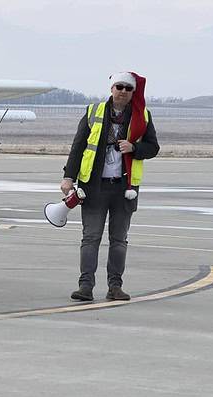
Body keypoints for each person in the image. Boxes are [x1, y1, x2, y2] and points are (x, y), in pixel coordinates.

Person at [60, 72, 159, 302]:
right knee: (90, 238)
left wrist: (134, 148)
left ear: (133, 92)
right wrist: (68, 177)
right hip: (94, 187)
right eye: (119, 86)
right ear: (112, 88)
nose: (123, 91)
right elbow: (78, 146)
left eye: (127, 88)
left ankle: (115, 287)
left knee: (119, 240)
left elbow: (153, 147)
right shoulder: (93, 112)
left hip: (124, 189)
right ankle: (85, 286)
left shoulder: (142, 116)